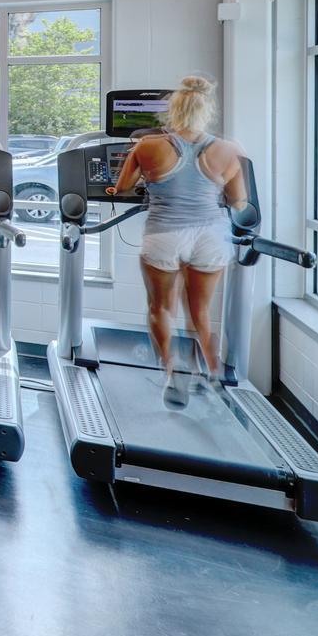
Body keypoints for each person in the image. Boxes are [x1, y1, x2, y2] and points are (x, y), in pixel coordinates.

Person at [111, 74, 245, 407]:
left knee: (160, 307)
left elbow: (123, 186)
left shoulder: (148, 145)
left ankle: (171, 371)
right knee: (199, 311)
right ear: (206, 110)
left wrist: (138, 175)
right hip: (210, 235)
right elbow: (238, 202)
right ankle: (211, 373)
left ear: (173, 110)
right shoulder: (229, 150)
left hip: (165, 233)